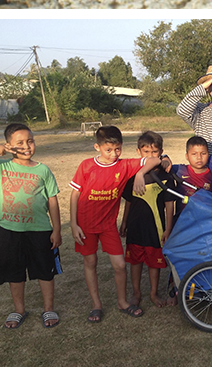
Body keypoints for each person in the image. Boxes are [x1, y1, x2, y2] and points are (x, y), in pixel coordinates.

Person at [0, 123, 62, 329]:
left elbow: (52, 200)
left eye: (30, 141)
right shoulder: (1, 167)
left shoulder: (43, 170)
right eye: (20, 143)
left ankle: (48, 308)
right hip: (9, 231)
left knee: (45, 270)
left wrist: (57, 230)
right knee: (14, 273)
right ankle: (19, 310)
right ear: (8, 145)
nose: (27, 146)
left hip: (40, 231)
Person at [69, 126, 167, 322]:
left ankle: (122, 302)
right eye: (108, 150)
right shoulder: (86, 166)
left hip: (108, 227)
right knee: (91, 262)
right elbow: (75, 194)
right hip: (85, 225)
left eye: (118, 149)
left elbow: (156, 159)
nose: (113, 154)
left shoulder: (125, 165)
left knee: (120, 265)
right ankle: (96, 304)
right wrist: (73, 224)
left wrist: (139, 174)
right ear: (97, 147)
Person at [120, 132, 176, 309]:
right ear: (138, 152)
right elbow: (128, 202)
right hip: (135, 227)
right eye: (146, 152)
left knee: (154, 262)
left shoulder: (166, 177)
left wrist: (168, 229)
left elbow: (169, 205)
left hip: (156, 228)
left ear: (161, 152)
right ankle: (136, 293)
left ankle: (153, 293)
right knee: (135, 261)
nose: (150, 156)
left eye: (154, 152)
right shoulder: (132, 176)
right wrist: (124, 222)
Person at [168, 136, 212, 219]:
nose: (199, 157)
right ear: (187, 156)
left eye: (203, 153)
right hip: (181, 221)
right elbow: (161, 165)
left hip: (204, 220)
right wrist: (164, 158)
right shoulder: (179, 170)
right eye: (194, 154)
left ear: (208, 154)